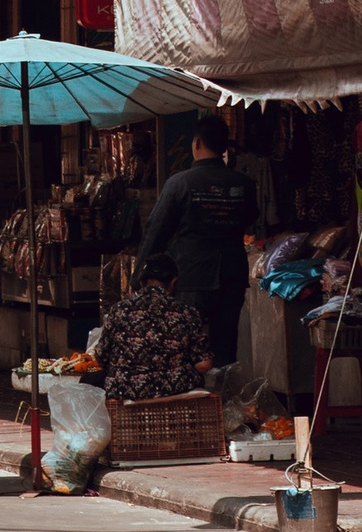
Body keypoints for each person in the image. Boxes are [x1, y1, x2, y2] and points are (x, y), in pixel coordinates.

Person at [139, 118, 258, 356]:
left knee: (185, 346)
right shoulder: (244, 184)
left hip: (192, 275)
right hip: (232, 275)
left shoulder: (179, 183)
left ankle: (195, 392)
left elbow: (156, 231)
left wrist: (139, 275)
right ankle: (223, 392)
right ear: (224, 147)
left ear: (196, 143)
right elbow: (251, 219)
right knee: (225, 347)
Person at [95, 260, 215, 404]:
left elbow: (101, 356)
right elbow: (204, 365)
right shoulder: (186, 312)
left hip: (126, 390)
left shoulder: (119, 310)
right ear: (174, 282)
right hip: (176, 389)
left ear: (141, 282)